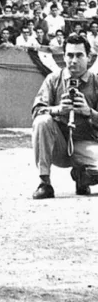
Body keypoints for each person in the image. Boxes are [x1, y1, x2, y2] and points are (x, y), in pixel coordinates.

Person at [31, 33, 98, 199]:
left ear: (89, 57)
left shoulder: (96, 83)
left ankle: (82, 176)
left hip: (86, 143)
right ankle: (44, 182)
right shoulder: (53, 79)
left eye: (79, 55)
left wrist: (89, 112)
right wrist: (58, 110)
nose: (73, 60)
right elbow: (37, 111)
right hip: (59, 146)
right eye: (69, 55)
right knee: (42, 121)